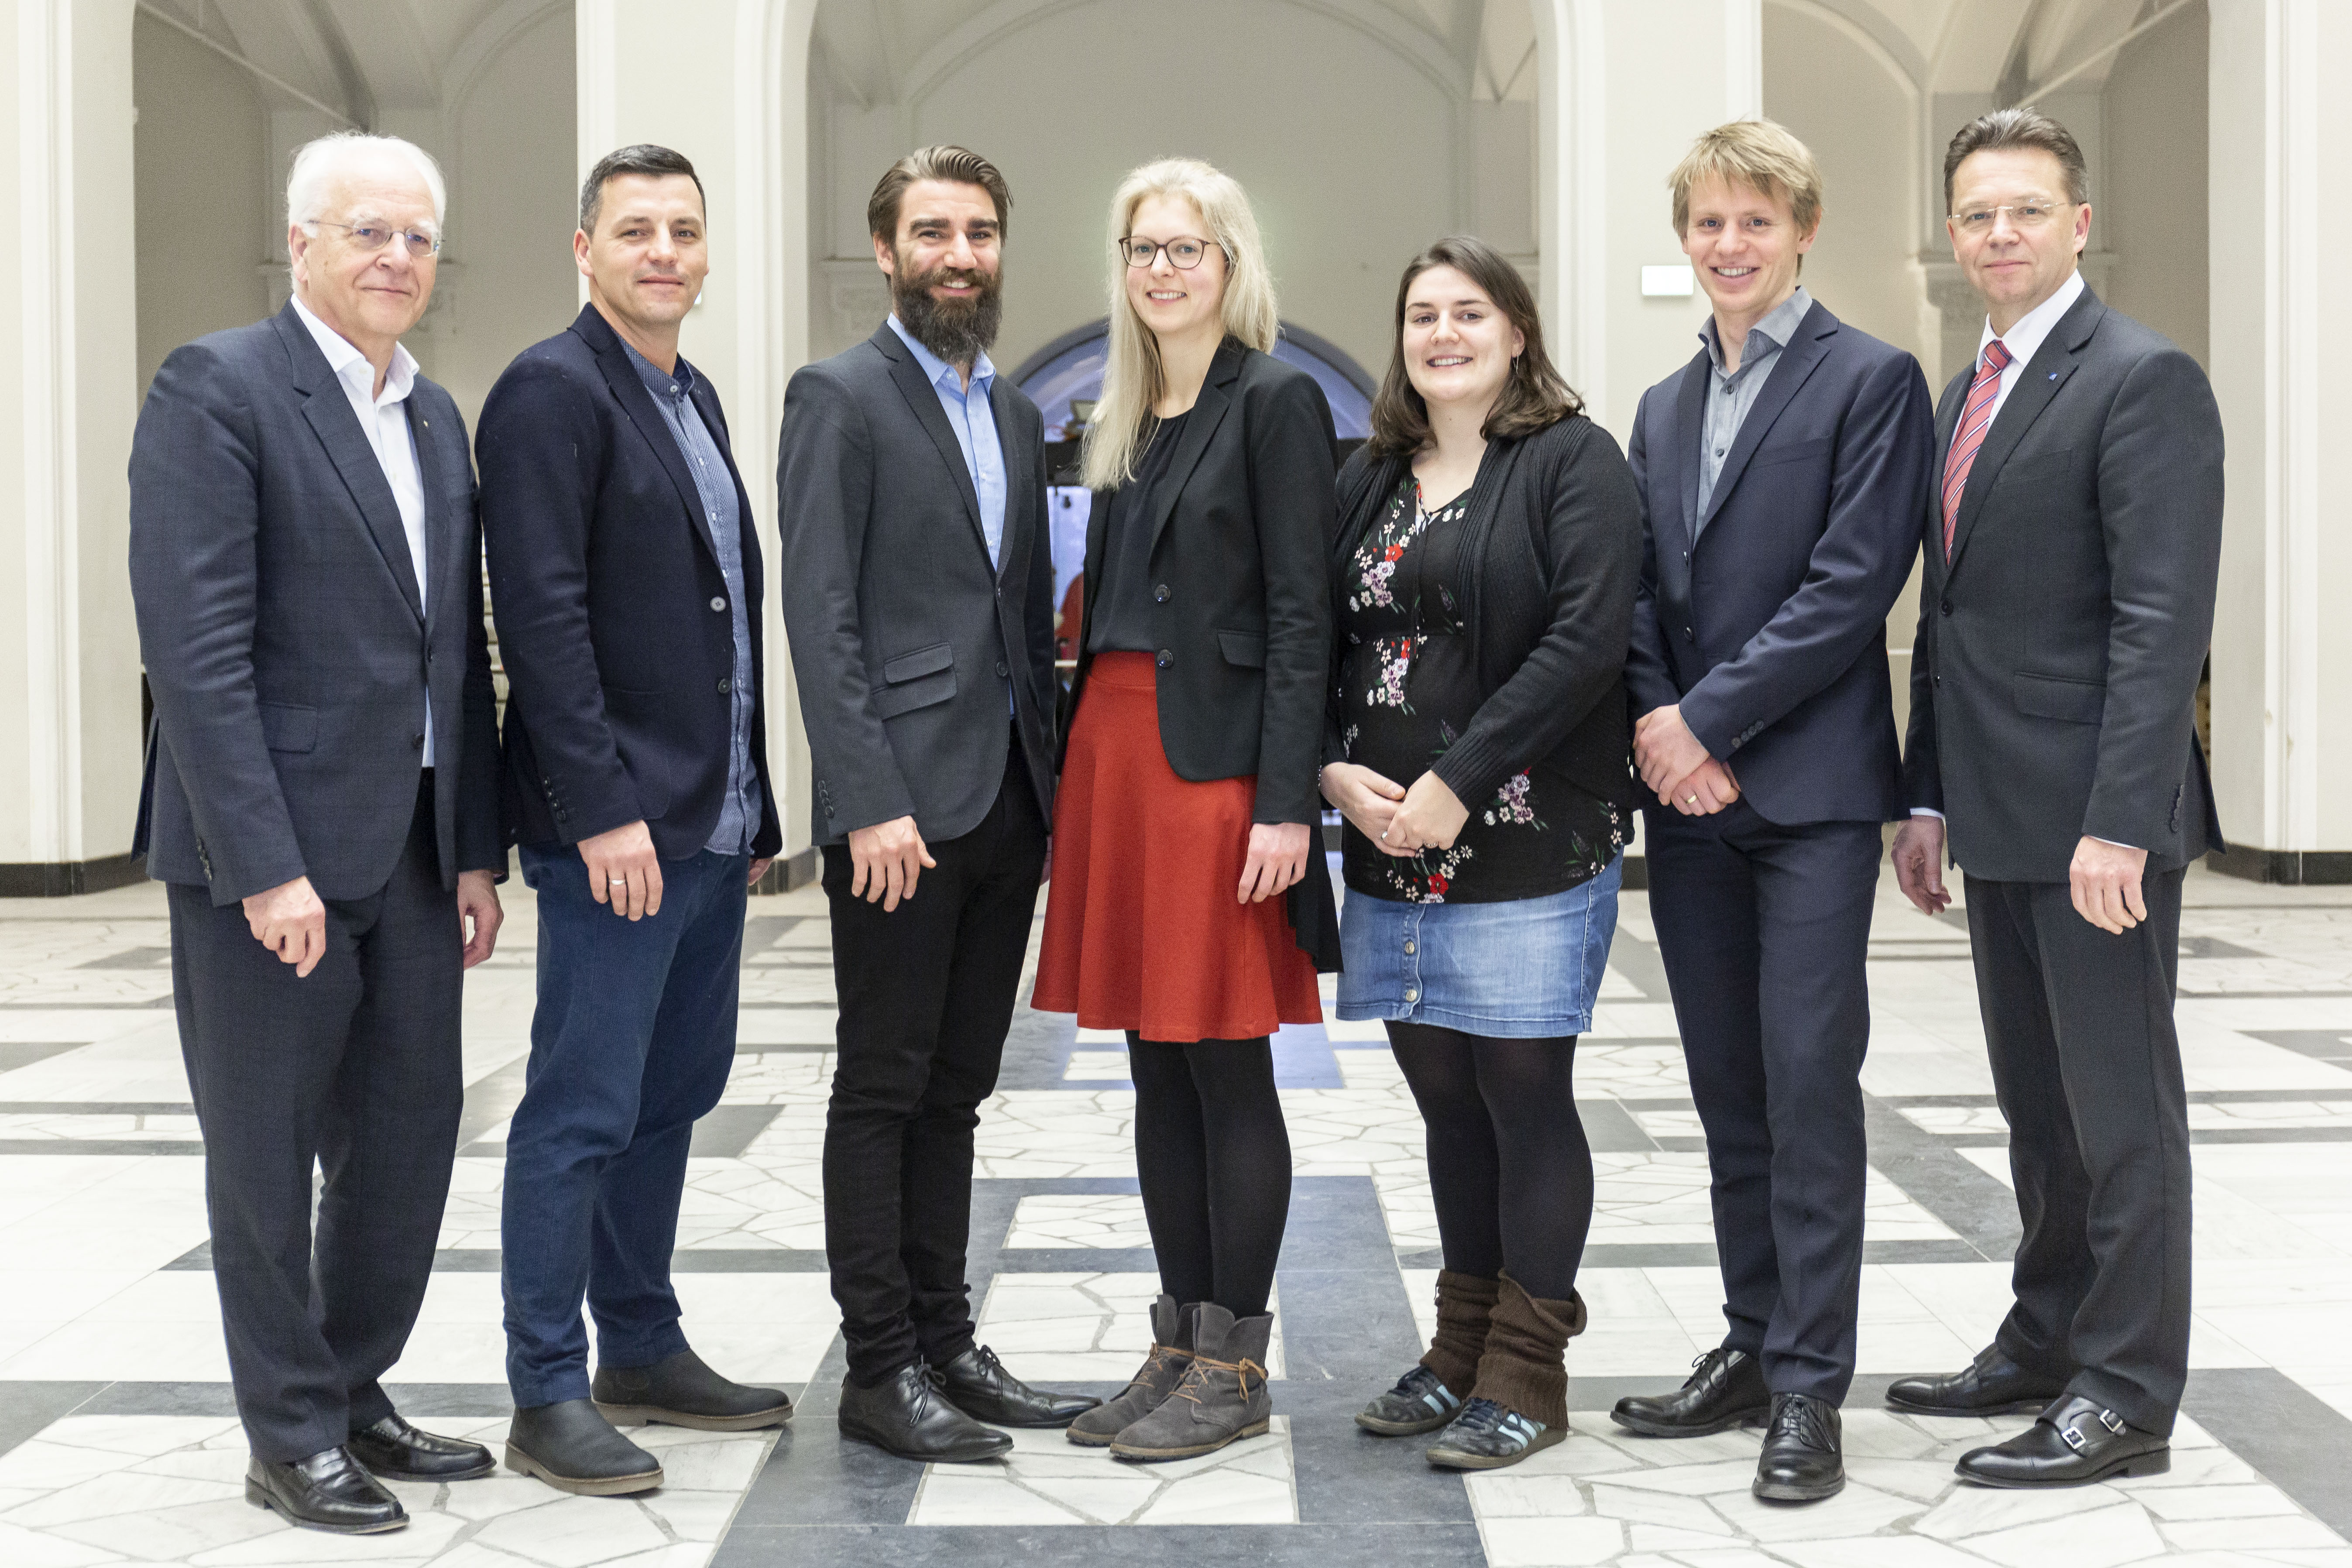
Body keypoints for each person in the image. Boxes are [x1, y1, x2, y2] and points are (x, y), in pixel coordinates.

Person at [128, 131, 505, 1534]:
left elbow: (451, 649)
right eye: (367, 232)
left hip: (412, 849)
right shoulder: (219, 388)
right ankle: (288, 1431)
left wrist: (473, 844)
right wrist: (264, 866)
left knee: (408, 1139)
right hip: (269, 861)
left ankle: (352, 1388)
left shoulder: (436, 415)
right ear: (302, 244)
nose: (396, 257)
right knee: (265, 1153)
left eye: (417, 237)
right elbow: (197, 655)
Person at [1888, 108, 2224, 1489]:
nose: (2001, 233)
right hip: (1996, 812)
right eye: (1978, 213)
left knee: (2121, 1116)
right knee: (2041, 1109)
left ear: (2079, 223)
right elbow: (1950, 617)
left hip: (2095, 827)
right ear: (1953, 234)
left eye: (2027, 209)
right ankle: (2046, 1335)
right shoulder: (1964, 391)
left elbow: (2161, 623)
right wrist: (1926, 794)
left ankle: (2127, 1389)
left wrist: (2120, 820)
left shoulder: (2142, 379)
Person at [1610, 120, 1933, 1504]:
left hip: (1809, 797)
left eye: (1755, 221)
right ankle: (1750, 1342)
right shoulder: (1662, 404)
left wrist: (1707, 721)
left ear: (1804, 228)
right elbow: (1633, 589)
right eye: (1708, 223)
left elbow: (1853, 584)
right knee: (1728, 1087)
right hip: (1690, 805)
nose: (1729, 245)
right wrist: (1661, 730)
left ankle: (1809, 1384)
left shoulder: (1873, 379)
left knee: (1806, 1083)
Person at [776, 145, 1098, 1463]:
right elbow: (821, 614)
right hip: (899, 813)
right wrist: (865, 800)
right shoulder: (839, 396)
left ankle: (949, 1341)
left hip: (1007, 803)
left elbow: (1019, 613)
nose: (959, 254)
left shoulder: (1014, 412)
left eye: (979, 232)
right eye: (932, 232)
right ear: (886, 250)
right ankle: (879, 1365)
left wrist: (1055, 792)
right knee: (884, 1082)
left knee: (959, 1087)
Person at [478, 144, 790, 1497]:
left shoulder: (691, 393)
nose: (664, 250)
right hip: (619, 832)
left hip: (707, 825)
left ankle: (642, 1346)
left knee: (673, 1093)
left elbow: (723, 617)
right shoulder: (551, 390)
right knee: (582, 1104)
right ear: (584, 248)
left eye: (684, 229)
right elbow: (541, 619)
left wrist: (754, 802)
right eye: (636, 229)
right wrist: (600, 810)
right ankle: (547, 1385)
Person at [1031, 157, 1338, 1463]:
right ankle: (1178, 1342)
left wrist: (1286, 804)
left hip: (1214, 772)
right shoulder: (1127, 411)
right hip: (1114, 752)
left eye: (1185, 247)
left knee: (1224, 1056)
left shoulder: (1273, 400)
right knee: (1153, 1060)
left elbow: (1303, 614)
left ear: (1231, 260)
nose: (1162, 268)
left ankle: (1236, 1362)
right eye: (1143, 249)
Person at [1322, 238, 1642, 1470]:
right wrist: (1328, 770)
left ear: (1517, 332)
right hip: (1389, 842)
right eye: (1422, 315)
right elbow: (1318, 635)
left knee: (1522, 1095)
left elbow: (1587, 641)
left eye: (1469, 312)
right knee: (1446, 1101)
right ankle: (1460, 1348)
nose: (1443, 334)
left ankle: (1527, 1370)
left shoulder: (1573, 460)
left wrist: (1460, 780)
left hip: (1527, 838)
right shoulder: (1368, 476)